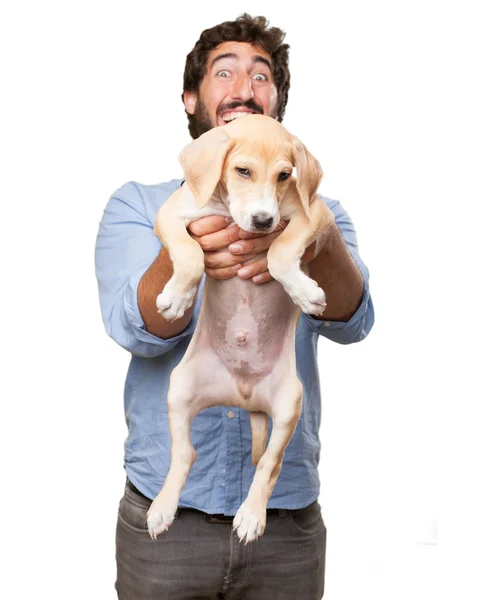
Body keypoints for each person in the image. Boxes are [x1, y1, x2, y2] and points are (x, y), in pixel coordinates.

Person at [95, 13, 374, 600]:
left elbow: (354, 319)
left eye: (262, 76)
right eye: (225, 72)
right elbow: (136, 330)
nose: (245, 86)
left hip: (284, 517)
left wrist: (307, 241)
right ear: (192, 97)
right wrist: (187, 258)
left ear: (276, 105)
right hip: (167, 518)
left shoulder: (315, 205)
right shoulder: (140, 204)